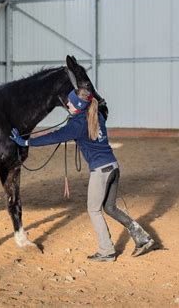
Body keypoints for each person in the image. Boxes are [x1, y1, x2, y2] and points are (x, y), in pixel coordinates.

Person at [10, 88, 155, 262]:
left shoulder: (76, 125)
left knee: (94, 210)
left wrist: (25, 141)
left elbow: (52, 137)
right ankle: (142, 237)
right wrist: (74, 117)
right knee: (110, 208)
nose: (67, 104)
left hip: (100, 171)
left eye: (70, 102)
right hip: (113, 166)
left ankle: (106, 251)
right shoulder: (97, 116)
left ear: (78, 106)